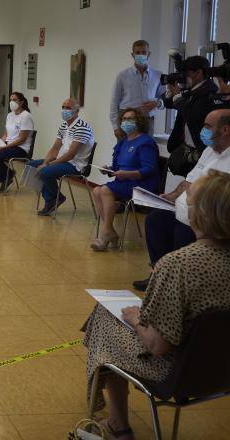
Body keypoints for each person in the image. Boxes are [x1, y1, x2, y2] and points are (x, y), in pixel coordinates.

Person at [82, 170, 230, 440]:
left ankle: (118, 425)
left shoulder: (178, 264)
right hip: (223, 369)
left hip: (177, 372)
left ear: (202, 214)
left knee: (106, 317)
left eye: (189, 201)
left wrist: (136, 317)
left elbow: (158, 345)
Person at [133, 109, 230, 290]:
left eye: (208, 126)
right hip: (185, 211)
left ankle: (178, 285)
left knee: (182, 232)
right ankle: (158, 274)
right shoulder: (210, 150)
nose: (203, 131)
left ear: (225, 130)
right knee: (156, 220)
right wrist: (171, 196)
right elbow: (189, 180)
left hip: (208, 221)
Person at [90, 109, 159, 251]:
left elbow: (149, 169)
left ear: (138, 122)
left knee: (104, 190)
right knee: (96, 190)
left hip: (142, 184)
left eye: (130, 119)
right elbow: (116, 168)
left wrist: (128, 174)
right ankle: (110, 232)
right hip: (124, 182)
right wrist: (108, 169)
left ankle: (106, 232)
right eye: (124, 119)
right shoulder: (122, 143)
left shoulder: (146, 142)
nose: (126, 122)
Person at [27, 98, 95, 216]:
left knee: (44, 171)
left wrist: (47, 164)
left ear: (77, 111)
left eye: (68, 108)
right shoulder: (64, 126)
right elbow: (55, 149)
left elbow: (71, 155)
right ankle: (52, 198)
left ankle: (54, 198)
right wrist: (46, 161)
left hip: (75, 165)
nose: (64, 110)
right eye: (63, 107)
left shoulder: (82, 127)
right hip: (62, 161)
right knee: (31, 165)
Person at [164, 55, 219, 174]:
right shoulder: (191, 90)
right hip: (186, 149)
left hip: (200, 151)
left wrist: (177, 96)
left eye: (187, 73)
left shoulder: (209, 92)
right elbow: (168, 103)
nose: (184, 76)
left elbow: (192, 115)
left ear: (198, 72)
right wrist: (171, 92)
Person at [109, 40, 164, 140]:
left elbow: (164, 97)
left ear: (149, 54)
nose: (141, 55)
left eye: (144, 52)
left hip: (147, 120)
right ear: (132, 54)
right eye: (138, 53)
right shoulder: (122, 76)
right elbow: (114, 101)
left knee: (146, 150)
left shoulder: (157, 75)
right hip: (126, 121)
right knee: (124, 152)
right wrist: (116, 127)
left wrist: (157, 103)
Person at [0, 91, 35, 193]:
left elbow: (22, 139)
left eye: (14, 100)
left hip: (20, 148)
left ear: (21, 102)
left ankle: (8, 177)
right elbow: (6, 135)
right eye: (10, 100)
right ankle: (7, 176)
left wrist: (4, 147)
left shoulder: (26, 116)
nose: (11, 102)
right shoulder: (10, 115)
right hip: (8, 145)